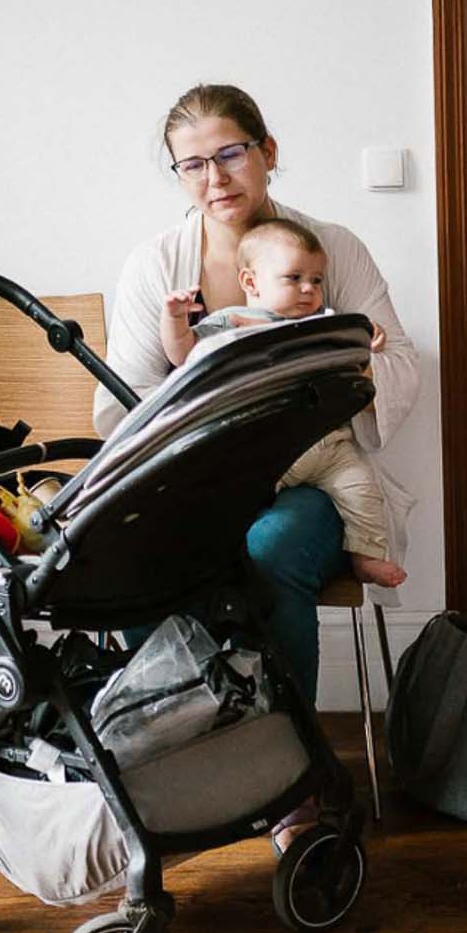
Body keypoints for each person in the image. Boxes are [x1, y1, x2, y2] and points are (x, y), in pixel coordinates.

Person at [100, 85, 418, 844]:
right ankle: (182, 764)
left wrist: (352, 359)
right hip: (197, 480)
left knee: (270, 548)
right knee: (131, 564)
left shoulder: (331, 249)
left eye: (231, 154)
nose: (215, 178)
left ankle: (288, 783)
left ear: (268, 151)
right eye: (192, 165)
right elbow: (120, 407)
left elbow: (400, 361)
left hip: (306, 475)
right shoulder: (156, 268)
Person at [159, 218, 406, 591]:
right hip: (270, 449)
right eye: (294, 278)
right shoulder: (233, 323)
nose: (309, 289)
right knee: (233, 492)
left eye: (317, 281)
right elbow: (184, 355)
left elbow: (354, 352)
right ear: (251, 282)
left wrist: (368, 336)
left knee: (362, 488)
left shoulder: (323, 324)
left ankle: (365, 555)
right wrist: (175, 319)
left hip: (331, 447)